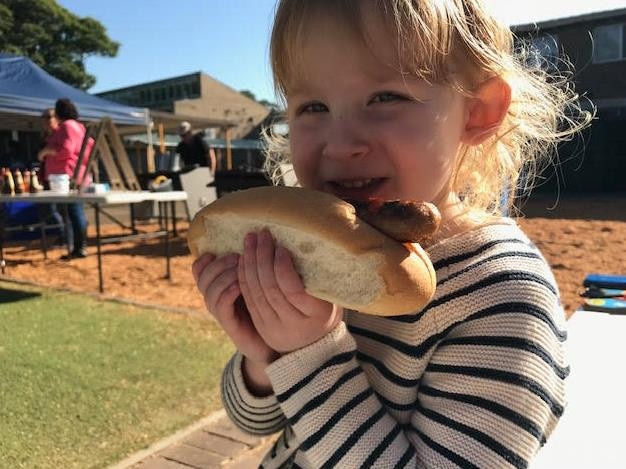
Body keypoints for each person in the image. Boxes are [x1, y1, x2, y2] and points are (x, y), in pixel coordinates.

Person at [192, 1, 592, 467]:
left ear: (478, 111)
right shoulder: (320, 253)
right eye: (312, 106)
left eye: (386, 97)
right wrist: (263, 358)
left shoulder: (503, 293)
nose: (341, 144)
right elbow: (255, 421)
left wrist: (309, 353)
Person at [38, 98, 93, 259]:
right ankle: (78, 246)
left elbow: (66, 151)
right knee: (74, 211)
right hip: (76, 174)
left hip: (69, 176)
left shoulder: (68, 126)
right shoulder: (79, 127)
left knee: (74, 211)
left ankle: (79, 248)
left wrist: (46, 152)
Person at [38, 108, 65, 245]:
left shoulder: (60, 133)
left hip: (60, 176)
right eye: (44, 118)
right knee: (50, 209)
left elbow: (64, 151)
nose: (46, 120)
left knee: (59, 208)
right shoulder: (46, 135)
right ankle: (64, 233)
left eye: (49, 117)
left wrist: (45, 152)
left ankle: (65, 234)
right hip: (47, 175)